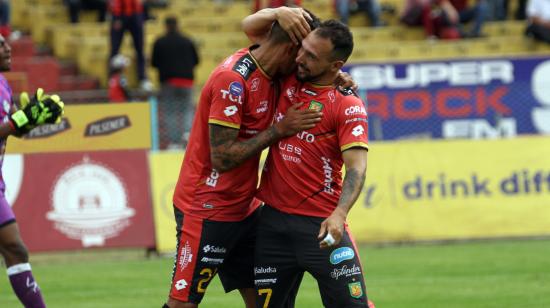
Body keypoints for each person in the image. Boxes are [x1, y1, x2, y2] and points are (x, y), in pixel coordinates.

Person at [164, 8, 323, 308]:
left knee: (266, 303)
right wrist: (279, 130)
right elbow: (222, 158)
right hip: (207, 207)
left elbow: (250, 25)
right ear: (291, 47)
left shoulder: (274, 69)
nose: (304, 66)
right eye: (304, 56)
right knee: (182, 303)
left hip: (246, 209)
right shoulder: (232, 80)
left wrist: (337, 75)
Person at [242, 13, 374, 307]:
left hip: (321, 226)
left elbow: (357, 167)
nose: (299, 57)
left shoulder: (347, 104)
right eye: (301, 47)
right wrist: (280, 12)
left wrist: (340, 214)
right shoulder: (287, 76)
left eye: (311, 56)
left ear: (335, 65)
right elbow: (250, 28)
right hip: (272, 224)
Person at [0, 34, 64, 308]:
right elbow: (11, 125)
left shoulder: (3, 84)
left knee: (15, 249)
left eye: (6, 42)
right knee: (14, 248)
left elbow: (15, 128)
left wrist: (35, 117)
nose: (7, 47)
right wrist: (20, 121)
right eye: (0, 44)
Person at [152, 16, 200, 149]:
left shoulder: (159, 42)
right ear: (177, 25)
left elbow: (154, 63)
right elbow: (197, 61)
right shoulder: (187, 41)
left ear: (166, 26)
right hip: (187, 82)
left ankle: (174, 143)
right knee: (187, 110)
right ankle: (187, 137)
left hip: (168, 82)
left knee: (170, 112)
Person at [109, 0, 152, 91]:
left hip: (136, 14)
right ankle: (112, 78)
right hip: (120, 13)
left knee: (140, 49)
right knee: (114, 49)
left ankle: (143, 78)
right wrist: (116, 16)